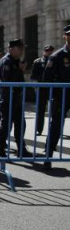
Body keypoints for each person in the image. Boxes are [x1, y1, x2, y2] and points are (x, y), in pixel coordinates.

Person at [0, 39, 32, 158]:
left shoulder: (16, 61)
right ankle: (0, 149)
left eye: (22, 48)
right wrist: (20, 69)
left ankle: (21, 149)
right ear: (11, 49)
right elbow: (8, 80)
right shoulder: (6, 61)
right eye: (19, 49)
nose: (22, 51)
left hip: (17, 97)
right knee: (6, 124)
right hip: (8, 98)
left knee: (20, 124)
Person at [42, 25, 70, 170]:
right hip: (61, 95)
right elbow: (47, 78)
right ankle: (48, 155)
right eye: (69, 35)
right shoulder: (57, 55)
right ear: (65, 36)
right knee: (56, 126)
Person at [31, 45, 55, 135]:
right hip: (41, 88)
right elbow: (33, 76)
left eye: (51, 50)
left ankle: (54, 129)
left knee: (55, 110)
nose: (49, 52)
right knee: (40, 110)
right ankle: (39, 129)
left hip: (53, 88)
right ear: (43, 52)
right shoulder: (37, 62)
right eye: (47, 50)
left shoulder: (55, 61)